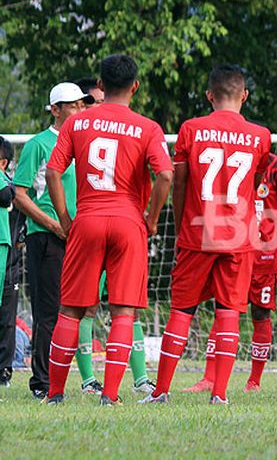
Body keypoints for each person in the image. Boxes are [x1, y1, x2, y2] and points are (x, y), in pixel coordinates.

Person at [44, 54, 173, 406]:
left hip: (86, 219)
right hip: (128, 221)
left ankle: (55, 394)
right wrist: (152, 217)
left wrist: (66, 219)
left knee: (70, 310)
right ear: (135, 87)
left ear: (100, 85)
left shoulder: (77, 124)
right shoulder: (148, 128)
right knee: (122, 312)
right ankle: (111, 395)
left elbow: (54, 172)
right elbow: (165, 175)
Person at [141, 64, 269, 406]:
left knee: (182, 311)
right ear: (244, 95)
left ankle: (161, 391)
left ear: (210, 95)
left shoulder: (191, 129)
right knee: (229, 312)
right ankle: (220, 394)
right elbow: (254, 184)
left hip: (198, 232)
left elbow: (179, 182)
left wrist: (184, 222)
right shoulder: (261, 135)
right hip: (239, 235)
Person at [182, 151, 277, 394]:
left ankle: (254, 381)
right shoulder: (231, 163)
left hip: (266, 254)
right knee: (223, 308)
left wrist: (271, 233)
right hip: (236, 247)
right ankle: (209, 378)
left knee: (261, 313)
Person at [71, 77, 156, 395]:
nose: (95, 107)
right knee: (85, 307)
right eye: (89, 102)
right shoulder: (76, 132)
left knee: (126, 307)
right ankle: (89, 380)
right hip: (92, 228)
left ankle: (138, 378)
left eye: (98, 99)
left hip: (110, 226)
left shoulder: (124, 130)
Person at [13, 82, 93, 399]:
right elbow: (20, 195)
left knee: (77, 309)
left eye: (82, 105)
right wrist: (53, 223)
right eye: (72, 105)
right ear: (56, 109)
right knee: (48, 312)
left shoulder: (86, 143)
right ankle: (41, 383)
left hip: (80, 236)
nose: (79, 110)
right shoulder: (39, 144)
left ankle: (72, 377)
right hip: (47, 237)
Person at [0, 137, 17, 386]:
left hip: (5, 252)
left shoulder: (5, 184)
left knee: (6, 317)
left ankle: (3, 370)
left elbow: (7, 194)